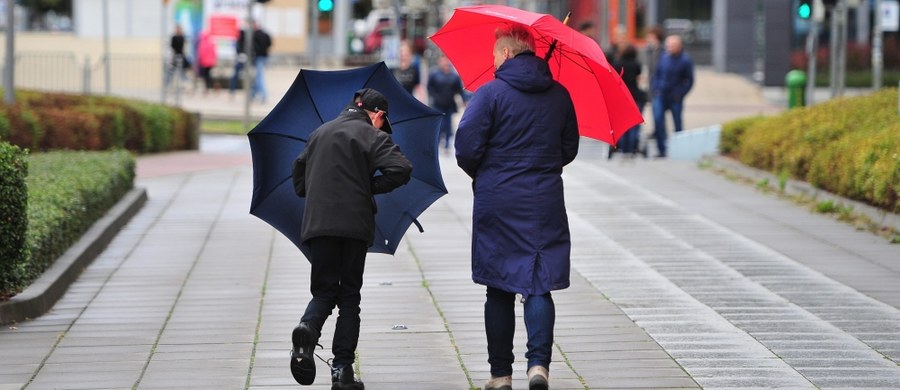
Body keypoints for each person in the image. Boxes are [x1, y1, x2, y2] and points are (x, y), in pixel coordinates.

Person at [454, 25, 579, 390]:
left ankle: (500, 374)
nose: (492, 62)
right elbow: (568, 148)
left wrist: (487, 172)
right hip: (544, 199)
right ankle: (538, 367)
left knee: (499, 284)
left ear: (507, 54)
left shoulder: (490, 93)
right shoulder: (560, 95)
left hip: (499, 199)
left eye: (494, 55)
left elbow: (466, 148)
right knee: (539, 284)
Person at [290, 88, 413, 390]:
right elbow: (402, 169)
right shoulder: (372, 136)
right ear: (378, 115)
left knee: (323, 291)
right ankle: (342, 371)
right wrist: (368, 185)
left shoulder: (319, 133)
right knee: (348, 298)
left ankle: (308, 327)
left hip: (318, 224)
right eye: (383, 121)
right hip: (354, 226)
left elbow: (299, 182)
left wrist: (324, 187)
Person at [650, 34, 694, 158]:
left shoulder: (685, 60)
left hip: (675, 97)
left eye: (672, 46)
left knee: (677, 123)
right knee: (658, 120)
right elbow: (656, 74)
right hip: (660, 94)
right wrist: (655, 89)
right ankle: (661, 150)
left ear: (679, 46)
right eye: (668, 45)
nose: (669, 48)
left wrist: (680, 93)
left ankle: (680, 149)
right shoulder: (663, 57)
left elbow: (689, 80)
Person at [611, 44, 646, 158]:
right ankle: (632, 149)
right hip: (635, 96)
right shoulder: (637, 64)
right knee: (634, 125)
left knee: (623, 124)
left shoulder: (617, 63)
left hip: (621, 97)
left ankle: (623, 149)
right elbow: (639, 78)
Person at [427, 55, 467, 151]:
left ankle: (447, 143)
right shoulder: (434, 74)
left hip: (449, 104)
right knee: (440, 124)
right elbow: (429, 88)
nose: (445, 63)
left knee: (448, 124)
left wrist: (464, 101)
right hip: (437, 104)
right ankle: (438, 141)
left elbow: (459, 90)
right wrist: (433, 98)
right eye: (443, 61)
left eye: (446, 61)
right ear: (439, 62)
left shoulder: (454, 76)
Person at [251, 22, 272, 103]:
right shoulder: (265, 34)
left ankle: (264, 95)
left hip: (258, 57)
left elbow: (253, 47)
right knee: (257, 76)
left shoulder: (254, 35)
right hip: (264, 57)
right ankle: (253, 94)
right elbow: (270, 43)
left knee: (259, 77)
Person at [164, 25, 190, 90]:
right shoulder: (174, 37)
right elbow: (172, 47)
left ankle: (187, 86)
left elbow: (183, 47)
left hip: (181, 57)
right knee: (171, 72)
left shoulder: (182, 37)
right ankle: (167, 86)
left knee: (182, 73)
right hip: (174, 57)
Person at [229, 27, 248, 97]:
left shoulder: (239, 41)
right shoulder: (246, 42)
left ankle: (232, 91)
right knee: (246, 76)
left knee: (235, 76)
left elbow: (237, 50)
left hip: (240, 61)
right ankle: (249, 92)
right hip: (245, 61)